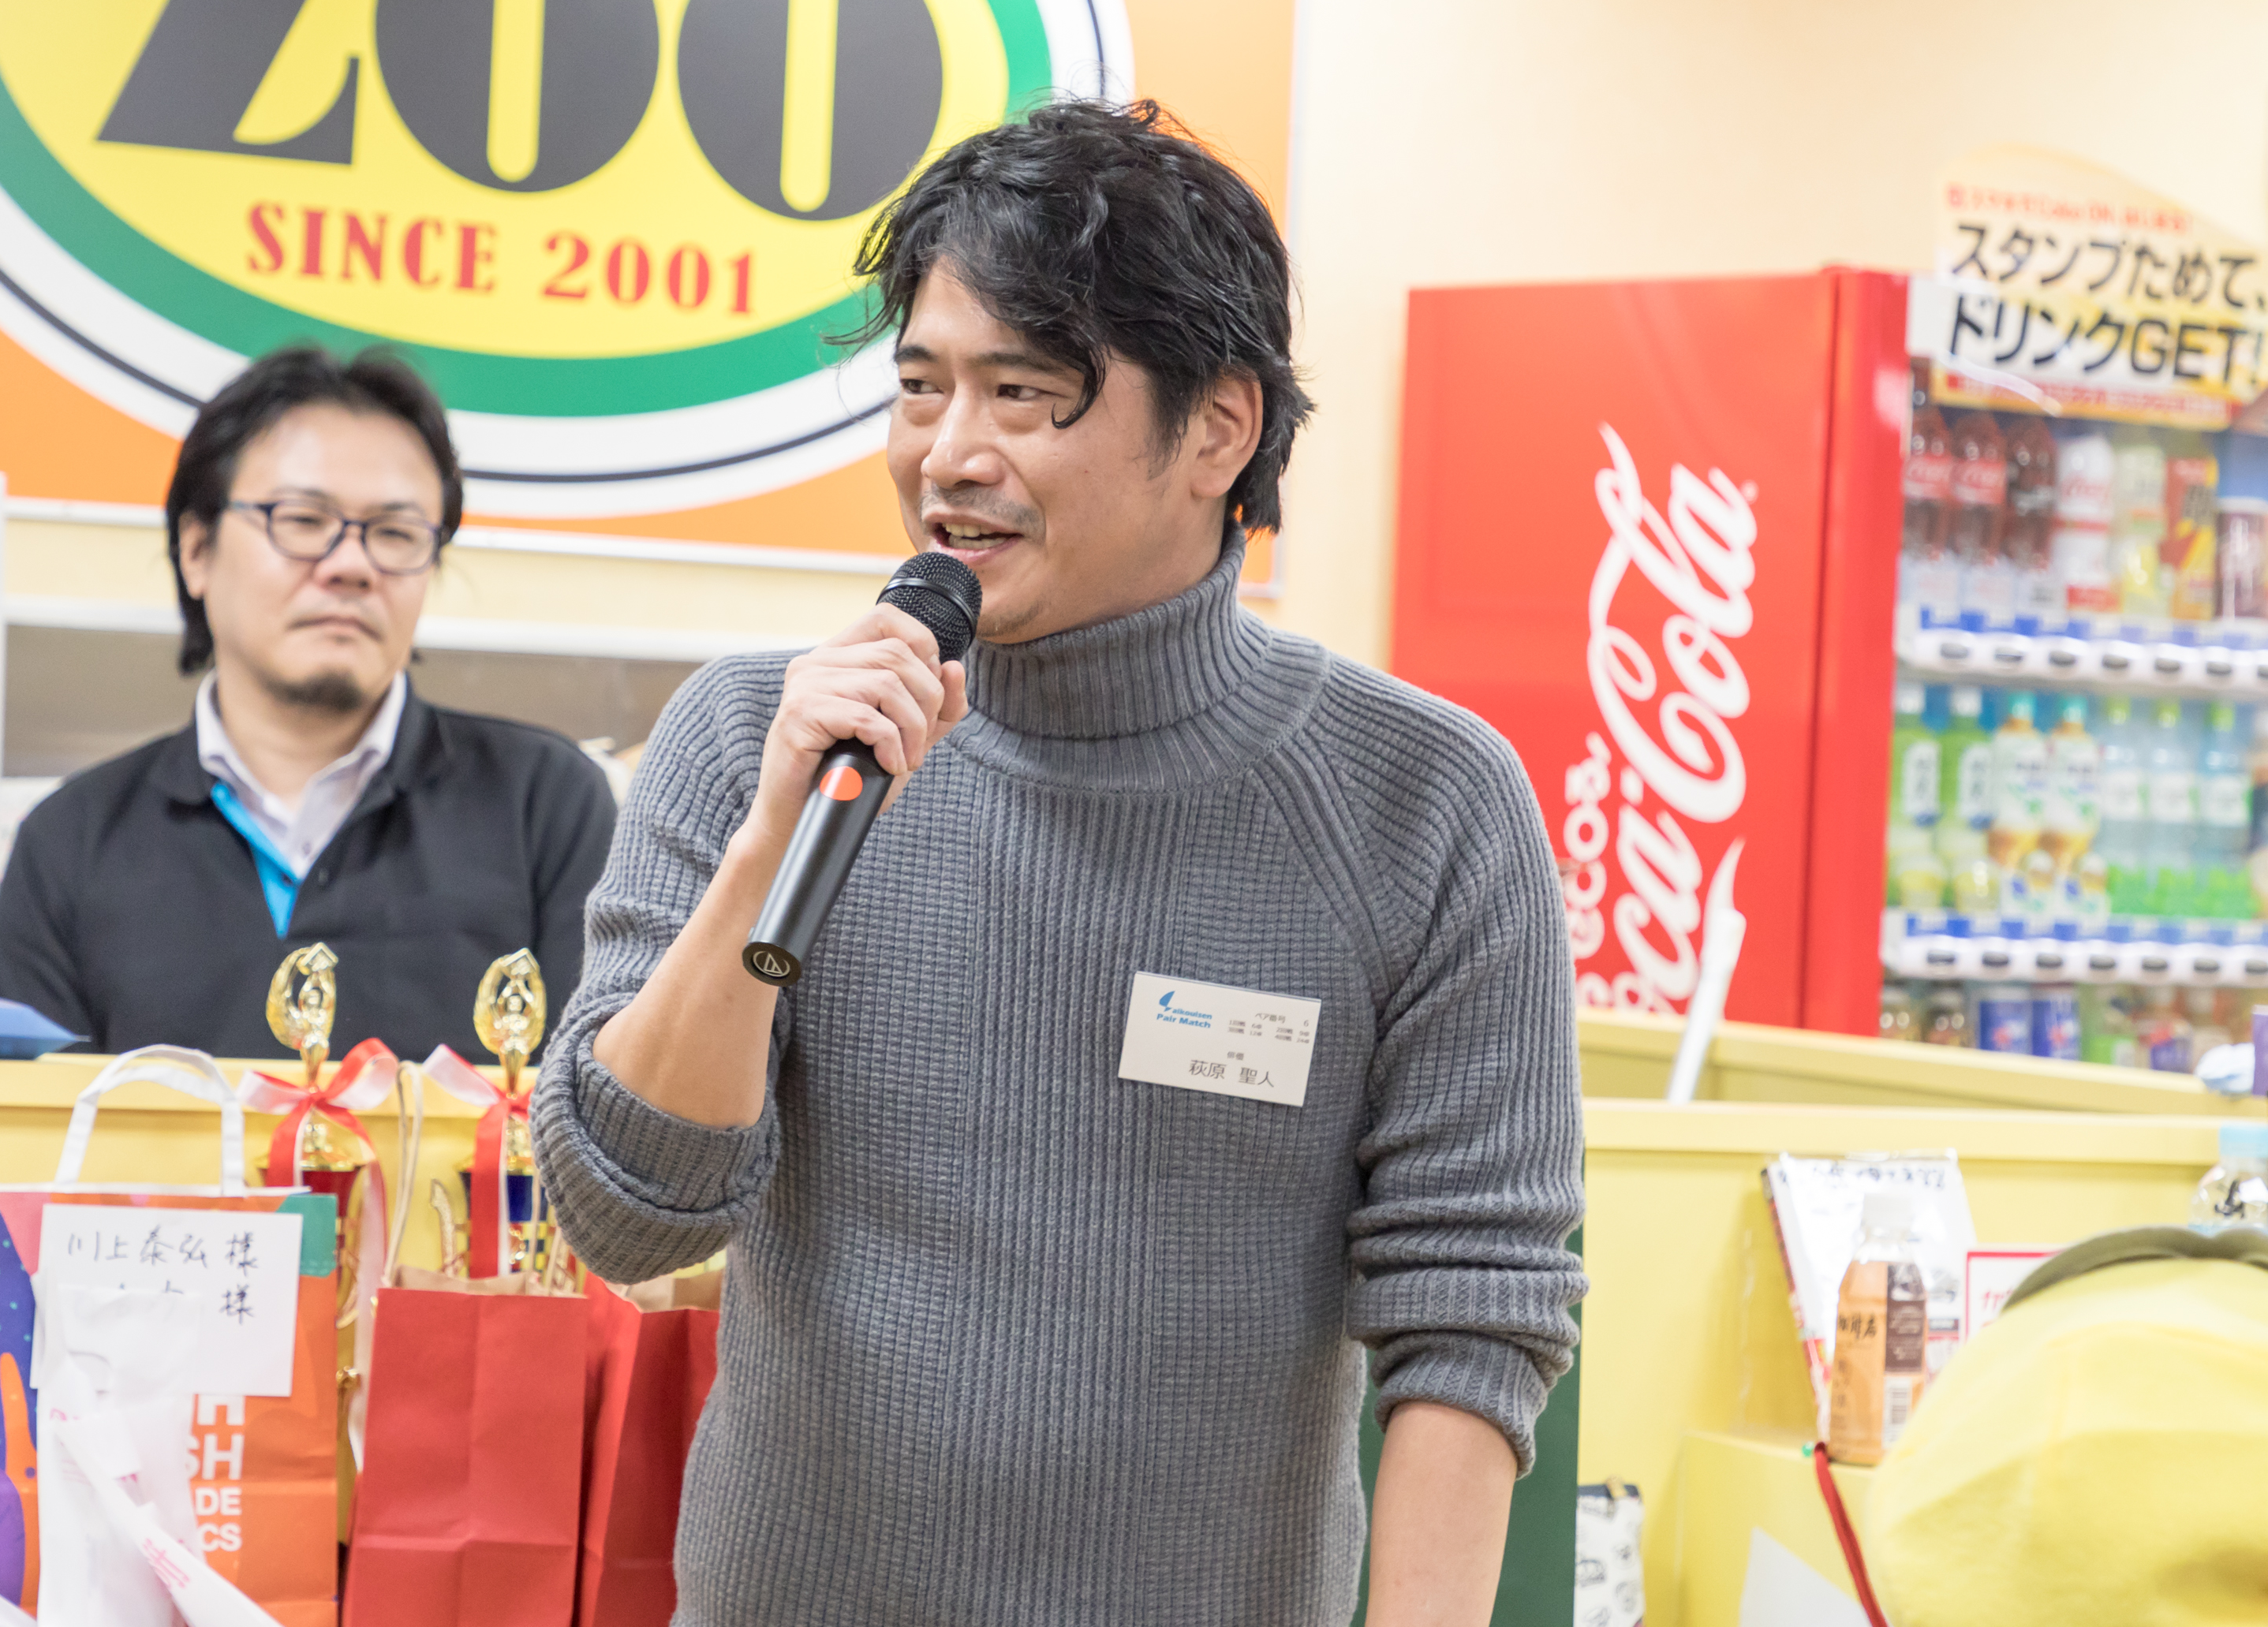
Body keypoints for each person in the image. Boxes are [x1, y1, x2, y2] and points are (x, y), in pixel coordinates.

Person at [534, 101, 1585, 1625]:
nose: (948, 456)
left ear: (1218, 429)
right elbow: (631, 1216)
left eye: (1023, 392)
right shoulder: (760, 739)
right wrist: (773, 845)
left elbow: (1474, 1309)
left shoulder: (1428, 800)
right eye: (920, 387)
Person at [0, 345, 617, 1058]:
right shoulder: (70, 840)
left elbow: (603, 1105)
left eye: (396, 533)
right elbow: (18, 1121)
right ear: (197, 549)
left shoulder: (546, 806)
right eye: (304, 519)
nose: (351, 565)